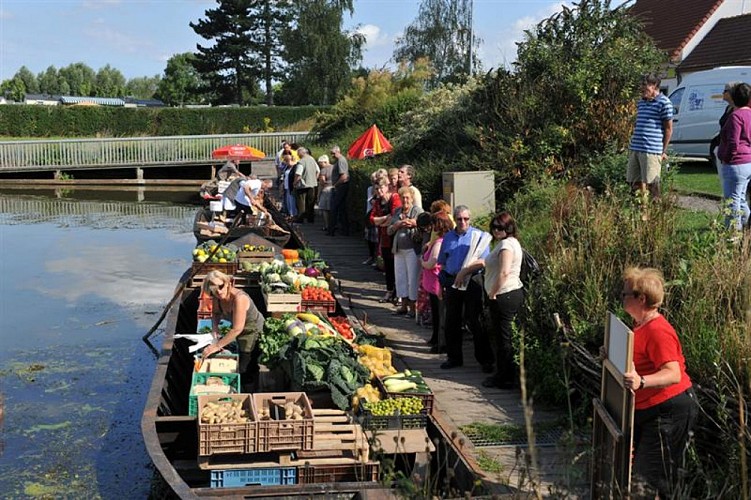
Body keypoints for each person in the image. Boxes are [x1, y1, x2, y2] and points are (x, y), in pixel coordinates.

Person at [621, 267, 697, 498]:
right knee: (651, 476)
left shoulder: (658, 330)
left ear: (641, 298)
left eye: (625, 294)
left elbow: (673, 373)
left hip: (669, 411)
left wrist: (641, 381)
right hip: (651, 409)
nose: (621, 298)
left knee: (648, 479)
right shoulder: (640, 324)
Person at [436, 205, 494, 371]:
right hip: (452, 281)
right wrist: (441, 284)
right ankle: (454, 358)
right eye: (460, 219)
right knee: (451, 321)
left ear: (470, 219)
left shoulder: (479, 236)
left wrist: (465, 272)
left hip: (472, 281)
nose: (463, 222)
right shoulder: (448, 237)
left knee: (475, 320)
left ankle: (485, 360)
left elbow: (483, 261)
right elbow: (443, 262)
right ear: (455, 219)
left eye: (466, 219)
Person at [479, 212, 524, 389]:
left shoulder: (506, 245)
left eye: (501, 227)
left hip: (504, 294)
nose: (496, 230)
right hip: (510, 293)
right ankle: (506, 374)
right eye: (494, 227)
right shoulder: (512, 243)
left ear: (509, 228)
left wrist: (493, 293)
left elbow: (504, 272)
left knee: (503, 338)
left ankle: (504, 378)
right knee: (504, 337)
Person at [201, 270, 265, 392]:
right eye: (214, 290)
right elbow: (215, 313)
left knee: (247, 366)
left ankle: (252, 393)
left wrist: (216, 346)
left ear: (228, 283)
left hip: (252, 330)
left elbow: (237, 329)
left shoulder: (239, 299)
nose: (219, 291)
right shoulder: (217, 297)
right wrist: (215, 331)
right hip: (238, 330)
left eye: (220, 286)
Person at [627, 73, 673, 199]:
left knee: (653, 186)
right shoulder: (641, 102)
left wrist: (663, 151)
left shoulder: (664, 103)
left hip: (651, 150)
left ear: (654, 86)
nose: (642, 88)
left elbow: (668, 129)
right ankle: (641, 213)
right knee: (633, 183)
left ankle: (655, 215)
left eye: (645, 85)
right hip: (636, 148)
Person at [718, 82, 751, 231]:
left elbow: (733, 143)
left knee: (732, 200)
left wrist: (726, 157)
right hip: (748, 162)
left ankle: (733, 233)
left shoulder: (735, 116)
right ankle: (747, 226)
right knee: (741, 198)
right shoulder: (749, 114)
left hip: (736, 163)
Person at [387, 187, 423, 316]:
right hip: (399, 249)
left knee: (412, 278)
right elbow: (389, 230)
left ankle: (413, 307)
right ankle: (403, 305)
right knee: (400, 277)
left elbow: (424, 223)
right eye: (403, 198)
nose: (405, 200)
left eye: (407, 197)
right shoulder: (397, 211)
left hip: (412, 249)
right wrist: (397, 224)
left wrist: (414, 222)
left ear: (412, 198)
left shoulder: (417, 211)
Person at [421, 212, 452, 351]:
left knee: (439, 314)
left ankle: (440, 344)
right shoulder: (441, 239)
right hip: (433, 283)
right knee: (436, 313)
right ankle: (435, 338)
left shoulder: (440, 243)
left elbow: (433, 263)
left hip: (436, 283)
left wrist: (422, 261)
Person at [370, 177, 401, 304]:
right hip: (384, 237)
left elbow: (394, 217)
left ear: (387, 187)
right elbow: (372, 219)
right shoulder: (378, 202)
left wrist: (381, 221)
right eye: (377, 189)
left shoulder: (394, 198)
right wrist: (383, 219)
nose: (379, 191)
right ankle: (389, 290)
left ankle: (399, 293)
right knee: (387, 265)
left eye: (381, 188)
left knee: (397, 266)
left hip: (395, 237)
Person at [710, 82, 740, 187]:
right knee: (725, 183)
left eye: (725, 90)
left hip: (731, 152)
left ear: (732, 93)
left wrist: (727, 156)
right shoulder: (728, 108)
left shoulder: (738, 111)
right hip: (722, 147)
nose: (723, 93)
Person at [364, 169, 387, 265]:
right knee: (370, 237)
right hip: (371, 213)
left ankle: (378, 259)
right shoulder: (371, 189)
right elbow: (370, 201)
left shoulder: (384, 189)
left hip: (379, 215)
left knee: (378, 238)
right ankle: (371, 256)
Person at [328, 145, 350, 236]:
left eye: (333, 153)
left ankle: (331, 229)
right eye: (331, 153)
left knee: (334, 208)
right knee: (341, 208)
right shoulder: (339, 160)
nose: (332, 155)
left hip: (341, 186)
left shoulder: (341, 160)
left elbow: (344, 176)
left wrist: (335, 185)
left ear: (338, 151)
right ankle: (343, 229)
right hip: (341, 186)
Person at [293, 147, 319, 223]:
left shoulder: (301, 162)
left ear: (302, 153)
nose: (297, 155)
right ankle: (310, 219)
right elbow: (318, 171)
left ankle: (300, 218)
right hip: (312, 184)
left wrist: (294, 183)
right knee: (310, 203)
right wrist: (314, 179)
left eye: (298, 153)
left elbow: (298, 174)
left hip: (302, 185)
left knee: (301, 203)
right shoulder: (312, 160)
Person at [316, 155, 334, 232]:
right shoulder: (335, 167)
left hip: (326, 189)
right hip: (335, 188)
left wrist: (318, 194)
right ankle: (333, 224)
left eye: (321, 163)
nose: (320, 165)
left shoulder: (323, 170)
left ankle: (327, 225)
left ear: (325, 162)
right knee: (332, 209)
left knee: (324, 209)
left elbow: (322, 182)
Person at [280, 154, 298, 218]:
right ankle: (290, 214)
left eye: (285, 161)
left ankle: (293, 214)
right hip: (286, 186)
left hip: (291, 186)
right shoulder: (287, 167)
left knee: (292, 201)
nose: (285, 163)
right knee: (288, 201)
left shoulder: (295, 167)